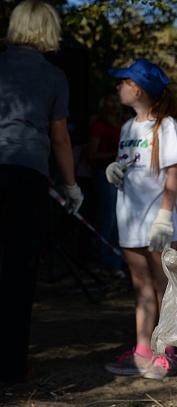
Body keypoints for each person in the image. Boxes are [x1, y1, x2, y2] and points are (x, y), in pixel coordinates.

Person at [0, 0, 84, 383]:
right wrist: (71, 185)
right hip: (26, 175)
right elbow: (60, 137)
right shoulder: (53, 75)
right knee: (19, 272)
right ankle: (11, 367)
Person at [103, 58, 177, 380]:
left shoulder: (166, 125)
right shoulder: (127, 127)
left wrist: (165, 217)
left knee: (164, 287)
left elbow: (174, 173)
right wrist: (115, 169)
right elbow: (130, 164)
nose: (118, 87)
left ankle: (166, 351)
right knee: (141, 287)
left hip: (159, 222)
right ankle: (142, 350)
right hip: (130, 220)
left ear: (137, 89)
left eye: (123, 82)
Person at [87, 90, 125, 277]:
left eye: (117, 100)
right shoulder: (98, 125)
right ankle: (104, 263)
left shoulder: (125, 125)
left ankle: (115, 263)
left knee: (120, 219)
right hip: (105, 175)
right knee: (109, 219)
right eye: (111, 100)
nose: (114, 104)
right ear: (104, 103)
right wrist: (116, 156)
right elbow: (91, 154)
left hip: (124, 177)